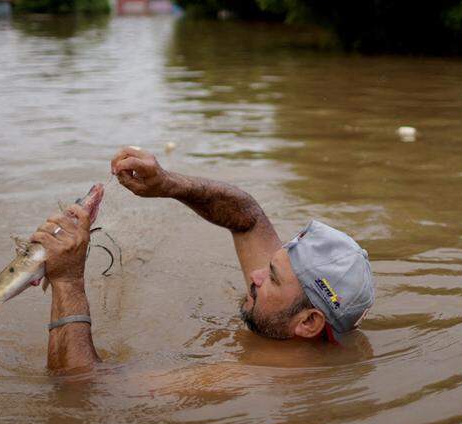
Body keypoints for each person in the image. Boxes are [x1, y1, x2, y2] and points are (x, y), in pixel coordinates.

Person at [33, 146, 375, 371]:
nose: (255, 275)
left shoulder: (255, 377)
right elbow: (247, 217)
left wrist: (67, 281)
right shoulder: (292, 313)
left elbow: (83, 394)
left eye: (272, 277)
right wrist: (167, 184)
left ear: (309, 323)